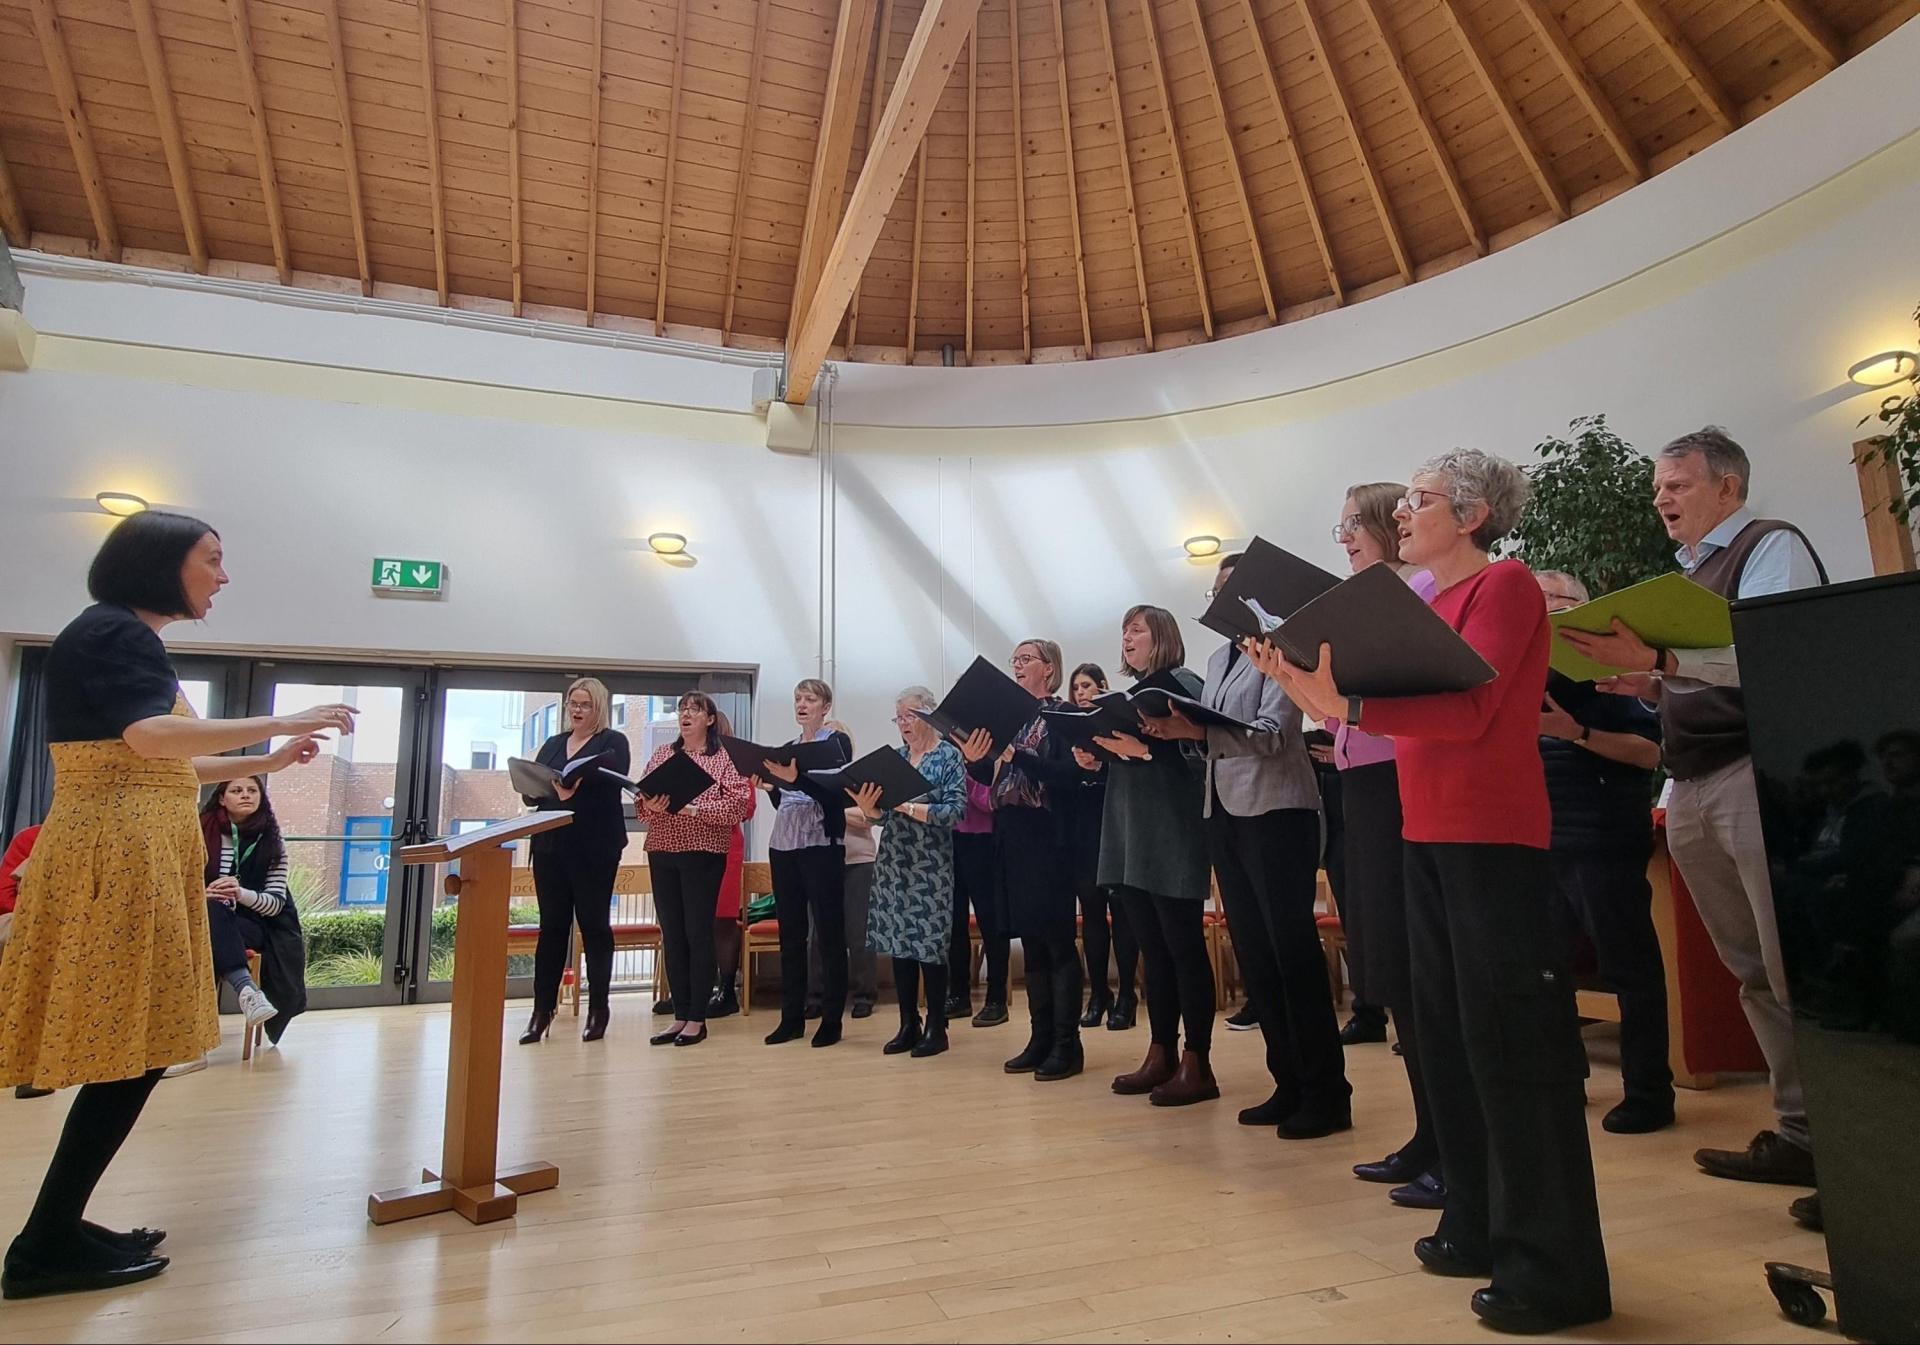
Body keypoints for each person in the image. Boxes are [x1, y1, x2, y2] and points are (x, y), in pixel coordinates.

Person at [1253, 451, 1611, 1335]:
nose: (1404, 513)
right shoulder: (1420, 598)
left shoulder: (1508, 585)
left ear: (1475, 514)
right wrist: (1299, 681)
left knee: (1514, 1051)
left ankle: (1553, 1269)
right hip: (1425, 833)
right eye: (1406, 501)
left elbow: (1476, 709)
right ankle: (1477, 1224)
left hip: (1494, 837)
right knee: (1447, 1035)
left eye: (1420, 501)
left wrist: (1355, 707)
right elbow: (1364, 714)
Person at [0, 510, 350, 1300]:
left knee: (142, 1042)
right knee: (134, 1041)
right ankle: (45, 1240)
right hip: (117, 857)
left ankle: (55, 1225)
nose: (222, 577)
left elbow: (164, 763)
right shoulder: (116, 634)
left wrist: (270, 757)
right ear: (160, 564)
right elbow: (154, 739)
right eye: (212, 560)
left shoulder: (116, 635)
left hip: (131, 850)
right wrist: (285, 716)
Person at [1559, 427, 1826, 1189]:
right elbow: (1697, 674)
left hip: (1758, 771)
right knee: (1749, 967)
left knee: (1791, 962)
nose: (1661, 498)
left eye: (1676, 484)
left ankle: (1851, 1144)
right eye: (1658, 486)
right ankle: (1803, 1131)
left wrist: (1662, 662)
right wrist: (1642, 683)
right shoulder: (1684, 576)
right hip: (1693, 778)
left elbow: (1783, 656)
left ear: (1728, 487)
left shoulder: (1768, 548)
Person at [1143, 555, 1348, 1137]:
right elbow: (1215, 738)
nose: (1218, 600)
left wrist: (1200, 731)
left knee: (1292, 954)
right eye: (1214, 591)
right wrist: (1180, 734)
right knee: (1257, 956)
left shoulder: (1287, 649)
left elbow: (1276, 734)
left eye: (1228, 590)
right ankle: (1287, 1082)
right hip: (1224, 810)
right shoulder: (1217, 656)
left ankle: (1327, 1091)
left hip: (1278, 809)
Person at [1325, 481, 1445, 1208]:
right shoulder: (1369, 595)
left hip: (1403, 779)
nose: (1343, 538)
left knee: (1417, 966)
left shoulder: (1418, 588)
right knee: (1393, 968)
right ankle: (1428, 1132)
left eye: (1351, 525)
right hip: (1363, 788)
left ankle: (1445, 1139)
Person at [1534, 571, 1673, 1134]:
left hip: (1602, 835)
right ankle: (1565, 1082)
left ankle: (1648, 1092)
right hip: (1539, 837)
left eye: (1556, 603)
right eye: (1535, 604)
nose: (1545, 613)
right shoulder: (1519, 669)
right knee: (1548, 968)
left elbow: (1648, 752)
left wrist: (1575, 733)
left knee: (1628, 965)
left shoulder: (1611, 675)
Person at [1080, 606, 1217, 1107]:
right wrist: (1094, 756)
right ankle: (1160, 1051)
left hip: (1171, 832)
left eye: (1137, 630)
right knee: (1150, 950)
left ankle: (1197, 1061)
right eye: (1123, 631)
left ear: (1161, 636)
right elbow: (1130, 757)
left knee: (1183, 948)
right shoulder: (1128, 696)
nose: (1126, 638)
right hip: (1128, 832)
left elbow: (1207, 751)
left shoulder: (1181, 683)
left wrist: (1145, 752)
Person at [956, 639, 1085, 1081]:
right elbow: (995, 776)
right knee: (1028, 940)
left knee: (1056, 942)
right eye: (1014, 660)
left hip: (1048, 835)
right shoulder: (1010, 719)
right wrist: (975, 762)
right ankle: (1040, 1036)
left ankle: (1068, 1044)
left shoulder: (1065, 715)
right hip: (1009, 831)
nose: (1017, 666)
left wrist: (1020, 755)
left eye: (1026, 659)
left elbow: (1069, 776)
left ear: (1049, 669)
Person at [517, 677, 631, 1046]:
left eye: (584, 704)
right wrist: (541, 787)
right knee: (551, 928)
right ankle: (541, 1010)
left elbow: (613, 784)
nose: (577, 710)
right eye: (572, 703)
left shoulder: (613, 741)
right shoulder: (552, 744)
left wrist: (574, 790)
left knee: (595, 926)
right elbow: (535, 795)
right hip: (550, 845)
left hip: (594, 846)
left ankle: (599, 1008)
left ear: (598, 707)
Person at [638, 692, 753, 1048]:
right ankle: (680, 1014)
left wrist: (693, 808)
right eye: (682, 709)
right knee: (671, 934)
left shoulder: (723, 758)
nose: (686, 715)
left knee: (697, 932)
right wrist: (653, 805)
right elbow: (641, 807)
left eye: (695, 710)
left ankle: (698, 1019)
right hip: (662, 850)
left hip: (704, 852)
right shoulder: (662, 755)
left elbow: (737, 805)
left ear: (710, 719)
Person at [860, 688, 968, 1059]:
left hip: (931, 863)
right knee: (899, 942)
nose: (904, 724)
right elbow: (883, 817)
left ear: (928, 716)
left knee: (930, 945)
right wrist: (870, 808)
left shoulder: (948, 756)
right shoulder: (898, 759)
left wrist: (909, 807)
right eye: (899, 717)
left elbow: (955, 811)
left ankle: (937, 1026)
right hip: (894, 860)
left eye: (910, 716)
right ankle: (908, 1023)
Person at [755, 679, 854, 1047]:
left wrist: (798, 780)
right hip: (784, 846)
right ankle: (791, 1018)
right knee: (790, 934)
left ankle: (831, 1020)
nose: (802, 704)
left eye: (810, 698)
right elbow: (786, 803)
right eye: (797, 698)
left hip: (821, 845)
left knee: (828, 934)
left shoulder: (836, 743)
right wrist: (771, 788)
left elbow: (836, 796)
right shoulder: (787, 749)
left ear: (825, 706)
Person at [198, 776, 307, 1050]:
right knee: (211, 913)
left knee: (208, 934)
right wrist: (202, 895)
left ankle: (194, 1046)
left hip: (252, 924)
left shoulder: (272, 841)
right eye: (236, 790)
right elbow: (177, 881)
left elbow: (275, 904)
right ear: (222, 798)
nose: (245, 795)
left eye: (252, 790)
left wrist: (240, 893)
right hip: (200, 917)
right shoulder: (199, 832)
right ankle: (248, 991)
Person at [1063, 664, 1137, 1029]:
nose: (1080, 693)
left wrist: (1098, 767)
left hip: (1116, 825)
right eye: (1076, 687)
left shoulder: (1116, 721)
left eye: (1087, 685)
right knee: (1091, 915)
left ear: (1103, 687)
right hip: (1084, 829)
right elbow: (1063, 776)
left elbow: (1128, 771)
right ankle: (1098, 994)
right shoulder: (1068, 726)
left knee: (1122, 914)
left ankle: (1126, 994)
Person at [807, 720, 880, 1019]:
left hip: (859, 859)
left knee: (859, 930)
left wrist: (833, 811)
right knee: (818, 932)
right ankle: (816, 995)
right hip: (821, 859)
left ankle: (864, 994)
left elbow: (869, 817)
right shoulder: (811, 778)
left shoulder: (860, 779)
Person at [946, 757, 1006, 1028]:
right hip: (950, 841)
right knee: (953, 923)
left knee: (990, 922)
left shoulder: (988, 752)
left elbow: (990, 801)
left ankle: (997, 998)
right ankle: (958, 994)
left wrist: (962, 778)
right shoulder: (946, 749)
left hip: (983, 840)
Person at [709, 709, 755, 1019]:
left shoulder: (735, 762)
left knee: (723, 919)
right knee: (693, 921)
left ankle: (727, 990)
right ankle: (693, 990)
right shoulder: (684, 757)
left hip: (725, 846)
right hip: (690, 846)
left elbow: (747, 807)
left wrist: (703, 808)